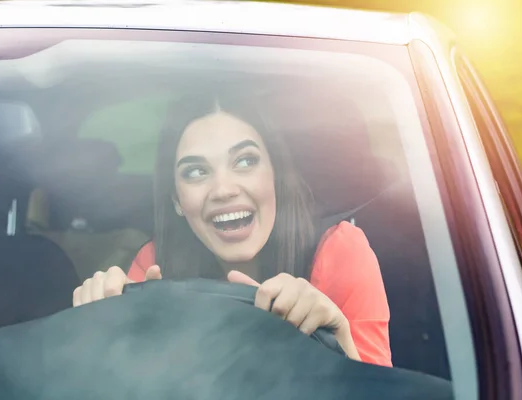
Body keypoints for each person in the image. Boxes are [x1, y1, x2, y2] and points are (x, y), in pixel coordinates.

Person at [72, 94, 392, 367]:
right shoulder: (156, 262)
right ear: (177, 200)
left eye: (244, 161)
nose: (223, 189)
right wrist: (98, 335)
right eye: (196, 171)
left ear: (275, 175)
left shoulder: (339, 252)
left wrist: (340, 343)